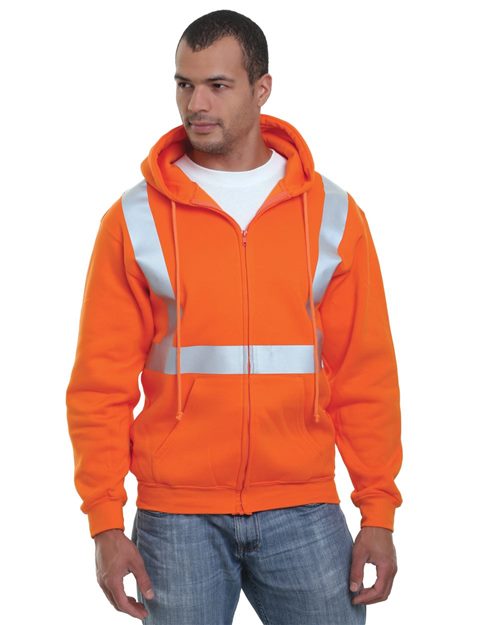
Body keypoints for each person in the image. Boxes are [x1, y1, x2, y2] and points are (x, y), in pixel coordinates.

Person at [66, 9, 403, 625]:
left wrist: (377, 510)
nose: (195, 104)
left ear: (261, 88)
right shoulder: (135, 220)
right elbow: (99, 386)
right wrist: (105, 523)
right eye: (184, 84)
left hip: (303, 507)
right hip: (176, 516)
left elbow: (365, 374)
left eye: (217, 86)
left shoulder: (332, 214)